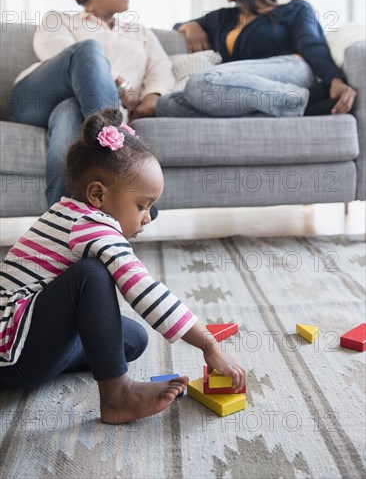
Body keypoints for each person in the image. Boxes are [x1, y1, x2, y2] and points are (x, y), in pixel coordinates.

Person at [0, 108, 246, 424]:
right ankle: (117, 396)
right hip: (14, 351)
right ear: (98, 195)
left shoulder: (70, 213)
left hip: (24, 341)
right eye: (142, 206)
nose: (147, 217)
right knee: (91, 276)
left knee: (132, 340)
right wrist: (208, 343)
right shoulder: (91, 226)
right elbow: (143, 288)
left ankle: (81, 366)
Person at [8, 0, 175, 207]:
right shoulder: (60, 20)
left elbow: (162, 70)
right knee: (87, 50)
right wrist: (120, 83)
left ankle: (61, 224)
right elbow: (57, 54)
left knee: (70, 112)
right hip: (35, 99)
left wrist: (153, 98)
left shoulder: (141, 32)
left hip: (77, 110)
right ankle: (121, 154)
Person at [153, 0, 357, 120]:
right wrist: (192, 26)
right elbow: (178, 25)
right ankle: (283, 110)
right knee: (167, 104)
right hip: (242, 89)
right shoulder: (224, 17)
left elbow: (313, 45)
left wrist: (335, 80)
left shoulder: (295, 9)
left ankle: (303, 100)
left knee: (200, 83)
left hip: (291, 69)